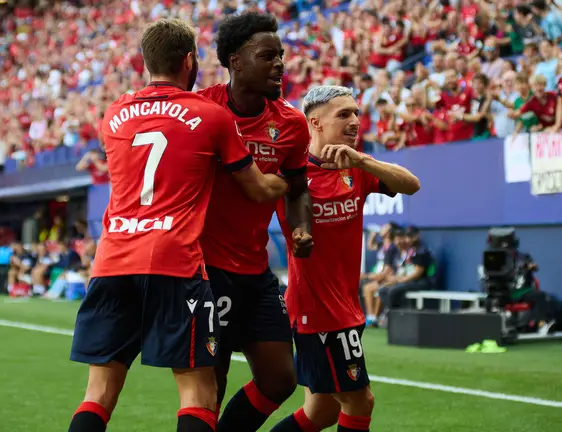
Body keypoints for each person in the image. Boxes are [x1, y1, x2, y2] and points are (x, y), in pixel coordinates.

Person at [67, 19, 289, 432]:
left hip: (114, 260)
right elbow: (259, 190)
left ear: (146, 61)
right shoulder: (211, 116)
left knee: (97, 394)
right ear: (190, 60)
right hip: (175, 261)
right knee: (198, 392)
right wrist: (285, 179)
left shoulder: (114, 115)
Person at [271, 85, 420, 432]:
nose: (354, 121)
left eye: (356, 113)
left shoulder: (356, 166)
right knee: (359, 400)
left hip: (345, 306)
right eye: (343, 114)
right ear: (315, 122)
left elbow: (412, 185)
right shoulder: (290, 175)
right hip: (317, 310)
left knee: (320, 412)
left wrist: (363, 160)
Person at [196, 12, 314, 431]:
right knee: (213, 382)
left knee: (281, 378)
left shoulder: (292, 123)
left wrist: (301, 229)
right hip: (207, 271)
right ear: (235, 61)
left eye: (281, 55)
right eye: (268, 55)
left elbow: (298, 188)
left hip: (255, 271)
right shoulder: (201, 110)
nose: (280, 63)